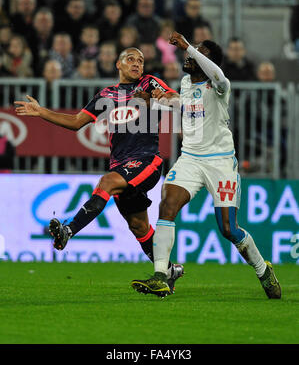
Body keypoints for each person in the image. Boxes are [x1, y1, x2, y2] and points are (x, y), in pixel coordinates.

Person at [14, 47, 184, 293]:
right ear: (118, 64)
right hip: (121, 166)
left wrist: (161, 98)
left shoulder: (149, 83)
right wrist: (41, 112)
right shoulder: (106, 95)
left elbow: (175, 98)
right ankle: (169, 271)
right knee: (138, 227)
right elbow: (75, 123)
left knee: (106, 182)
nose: (136, 64)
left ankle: (68, 230)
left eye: (141, 61)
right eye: (131, 59)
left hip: (147, 161)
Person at [131, 31, 281, 300]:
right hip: (190, 157)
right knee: (167, 205)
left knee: (228, 229)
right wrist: (156, 99)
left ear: (207, 61)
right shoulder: (187, 82)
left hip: (220, 162)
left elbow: (218, 75)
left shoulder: (221, 84)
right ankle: (160, 275)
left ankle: (262, 269)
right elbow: (184, 103)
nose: (189, 56)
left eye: (199, 52)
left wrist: (189, 46)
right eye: (191, 52)